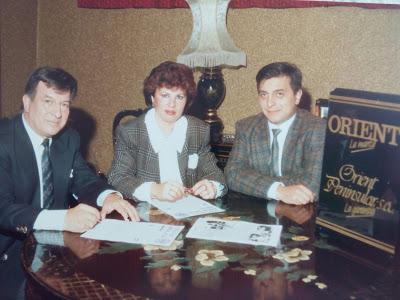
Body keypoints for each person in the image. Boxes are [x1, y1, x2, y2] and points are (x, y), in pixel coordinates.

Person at [0, 66, 139, 299]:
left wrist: (110, 197)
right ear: (26, 102)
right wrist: (63, 218)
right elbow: (3, 209)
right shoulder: (3, 142)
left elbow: (85, 179)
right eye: (48, 101)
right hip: (8, 254)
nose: (57, 113)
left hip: (53, 249)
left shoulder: (68, 139)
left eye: (64, 104)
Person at [108, 61, 226, 202]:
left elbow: (215, 173)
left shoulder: (198, 130)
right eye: (165, 95)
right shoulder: (130, 132)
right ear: (152, 98)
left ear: (187, 101)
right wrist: (154, 190)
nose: (172, 104)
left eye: (179, 97)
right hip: (146, 212)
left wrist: (212, 186)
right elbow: (117, 177)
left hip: (187, 212)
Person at [225, 62, 326, 205]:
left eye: (279, 94)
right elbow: (232, 174)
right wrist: (278, 190)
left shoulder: (317, 128)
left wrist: (254, 182)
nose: (270, 103)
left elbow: (314, 183)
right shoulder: (246, 127)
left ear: (297, 96)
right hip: (257, 212)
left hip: (299, 215)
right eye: (264, 95)